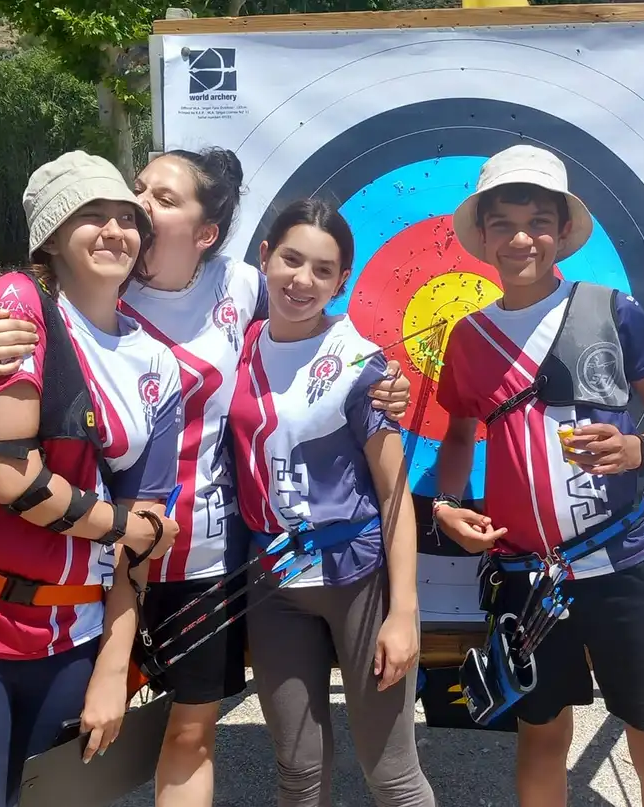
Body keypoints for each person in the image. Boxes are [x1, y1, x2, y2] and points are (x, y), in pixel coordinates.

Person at [0, 147, 412, 807]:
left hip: (203, 550)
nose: (138, 207)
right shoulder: (95, 281)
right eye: (138, 189)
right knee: (62, 751)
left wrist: (385, 382)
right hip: (97, 552)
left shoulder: (242, 285)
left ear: (206, 233)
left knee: (188, 733)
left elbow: (313, 332)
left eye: (162, 198)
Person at [0, 150, 184, 807]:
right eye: (90, 215)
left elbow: (143, 538)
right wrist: (125, 525)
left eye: (126, 217)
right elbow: (15, 481)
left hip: (70, 637)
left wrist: (113, 666)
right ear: (50, 235)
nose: (114, 231)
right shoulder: (18, 306)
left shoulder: (158, 363)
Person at [429, 145, 644, 807]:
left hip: (622, 564)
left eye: (538, 222)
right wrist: (445, 503)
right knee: (541, 736)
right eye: (504, 224)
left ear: (562, 231)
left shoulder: (613, 310)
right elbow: (459, 437)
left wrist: (636, 449)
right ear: (484, 238)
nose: (522, 238)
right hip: (526, 576)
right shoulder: (467, 336)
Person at [229, 198, 435, 807]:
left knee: (391, 776)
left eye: (323, 270)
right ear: (265, 257)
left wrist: (404, 613)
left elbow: (394, 495)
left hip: (358, 580)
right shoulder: (236, 345)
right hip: (273, 582)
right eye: (291, 260)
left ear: (342, 281)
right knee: (298, 773)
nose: (303, 280)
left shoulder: (360, 364)